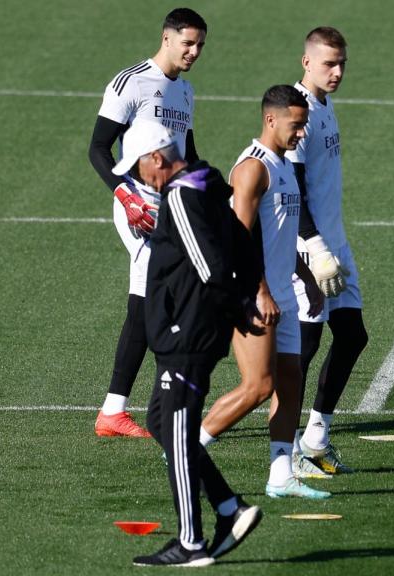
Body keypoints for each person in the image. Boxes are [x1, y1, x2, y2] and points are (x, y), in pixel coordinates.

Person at [117, 119, 261, 566]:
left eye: (141, 168)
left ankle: (191, 541)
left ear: (156, 158)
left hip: (188, 333)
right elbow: (241, 242)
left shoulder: (179, 195)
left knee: (177, 432)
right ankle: (228, 507)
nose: (142, 178)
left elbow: (210, 266)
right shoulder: (204, 185)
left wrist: (237, 308)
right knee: (161, 423)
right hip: (190, 330)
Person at [198, 86, 330, 500]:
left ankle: (280, 476)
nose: (301, 133)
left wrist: (306, 278)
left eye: (305, 125)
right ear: (271, 120)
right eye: (296, 125)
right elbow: (239, 237)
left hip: (285, 294)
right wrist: (259, 291)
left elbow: (280, 236)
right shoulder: (253, 169)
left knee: (290, 384)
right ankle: (186, 445)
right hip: (252, 295)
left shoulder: (286, 165)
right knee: (258, 386)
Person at [88, 8, 207, 437]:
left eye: (200, 46)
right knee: (148, 297)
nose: (194, 52)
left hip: (170, 205)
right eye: (188, 43)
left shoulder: (186, 92)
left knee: (168, 298)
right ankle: (122, 411)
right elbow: (99, 148)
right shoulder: (131, 83)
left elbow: (188, 157)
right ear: (167, 37)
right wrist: (124, 194)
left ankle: (140, 408)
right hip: (138, 204)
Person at [287, 27, 368, 476]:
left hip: (335, 241)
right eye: (328, 64)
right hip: (310, 245)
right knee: (306, 343)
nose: (336, 72)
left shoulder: (324, 104)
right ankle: (287, 449)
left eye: (341, 64)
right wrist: (315, 248)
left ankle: (316, 438)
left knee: (353, 336)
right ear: (307, 62)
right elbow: (294, 188)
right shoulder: (299, 113)